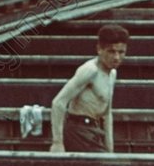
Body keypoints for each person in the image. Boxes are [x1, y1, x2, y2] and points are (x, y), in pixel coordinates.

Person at [49, 24, 129, 153]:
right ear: (99, 49)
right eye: (111, 51)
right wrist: (57, 143)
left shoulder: (112, 73)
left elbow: (107, 113)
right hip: (78, 130)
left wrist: (110, 150)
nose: (116, 58)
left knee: (111, 163)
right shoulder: (90, 71)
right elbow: (58, 102)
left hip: (94, 130)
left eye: (121, 52)